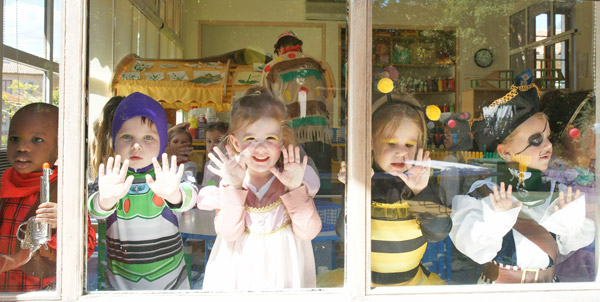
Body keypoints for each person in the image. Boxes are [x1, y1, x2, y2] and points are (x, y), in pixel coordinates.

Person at [450, 84, 595, 284]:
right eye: (536, 140)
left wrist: (570, 223)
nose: (548, 146)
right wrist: (497, 219)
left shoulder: (556, 191)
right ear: (504, 152)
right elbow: (474, 247)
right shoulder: (483, 193)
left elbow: (570, 243)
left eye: (547, 137)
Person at [198, 87, 322, 289]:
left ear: (283, 140)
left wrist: (294, 187)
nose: (261, 147)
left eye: (270, 138)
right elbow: (228, 233)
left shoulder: (297, 178)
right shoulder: (229, 181)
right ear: (235, 143)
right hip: (238, 271)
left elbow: (309, 231)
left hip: (285, 270)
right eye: (250, 139)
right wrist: (235, 186)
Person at [335, 94, 452, 286]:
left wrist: (420, 190)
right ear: (371, 143)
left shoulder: (419, 184)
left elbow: (439, 233)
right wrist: (353, 189)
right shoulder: (365, 181)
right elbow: (345, 235)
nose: (401, 152)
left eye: (409, 144)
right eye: (391, 143)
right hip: (364, 287)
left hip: (411, 286)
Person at [87, 92, 198, 290]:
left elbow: (191, 196)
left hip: (171, 282)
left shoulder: (166, 174)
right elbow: (95, 209)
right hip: (120, 284)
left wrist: (174, 195)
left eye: (148, 137)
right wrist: (106, 199)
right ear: (114, 141)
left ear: (163, 141)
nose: (136, 145)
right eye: (126, 136)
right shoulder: (111, 177)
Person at [0, 103, 97, 292]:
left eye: (36, 139)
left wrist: (64, 223)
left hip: (40, 291)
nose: (22, 147)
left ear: (59, 148)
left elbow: (86, 248)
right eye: (14, 138)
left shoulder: (64, 190)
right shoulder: (4, 184)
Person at [261, 30, 336, 174]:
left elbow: (265, 102)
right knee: (320, 174)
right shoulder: (316, 63)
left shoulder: (270, 67)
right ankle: (323, 196)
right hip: (318, 130)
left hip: (289, 131)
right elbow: (326, 93)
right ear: (299, 46)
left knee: (293, 175)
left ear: (279, 49)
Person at [541, 90, 596, 282]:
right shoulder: (554, 177)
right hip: (572, 278)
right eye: (596, 127)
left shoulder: (592, 170)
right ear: (575, 133)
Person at [201, 122, 229, 186]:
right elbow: (204, 185)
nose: (212, 145)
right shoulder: (207, 164)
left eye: (218, 141)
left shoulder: (227, 163)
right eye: (209, 141)